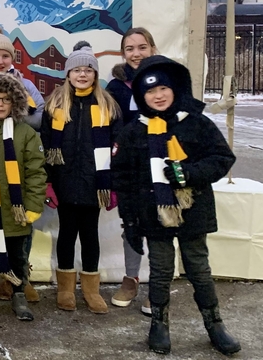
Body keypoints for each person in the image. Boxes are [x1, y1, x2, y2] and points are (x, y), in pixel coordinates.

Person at [112, 56, 240, 356]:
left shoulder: (195, 122)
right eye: (149, 92)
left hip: (193, 210)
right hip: (154, 214)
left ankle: (214, 323)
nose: (158, 96)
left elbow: (222, 158)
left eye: (163, 89)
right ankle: (159, 324)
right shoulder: (133, 132)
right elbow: (124, 179)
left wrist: (190, 173)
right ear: (141, 97)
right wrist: (130, 222)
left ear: (175, 89)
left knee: (199, 268)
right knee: (160, 271)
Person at [42, 43, 121, 314]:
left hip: (94, 184)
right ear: (68, 74)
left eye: (88, 70)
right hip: (64, 181)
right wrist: (49, 182)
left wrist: (112, 184)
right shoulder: (55, 104)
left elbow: (116, 146)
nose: (83, 74)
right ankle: (65, 288)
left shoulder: (107, 104)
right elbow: (45, 143)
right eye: (77, 69)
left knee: (90, 236)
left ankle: (91, 289)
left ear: (95, 75)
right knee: (66, 234)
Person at [0, 74, 47, 321]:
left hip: (18, 210)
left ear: (15, 102)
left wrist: (33, 206)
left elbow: (36, 172)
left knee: (17, 255)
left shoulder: (26, 133)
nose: (1, 104)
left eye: (6, 99)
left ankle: (18, 293)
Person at [106, 27, 158, 313]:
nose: (136, 53)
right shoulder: (116, 87)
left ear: (152, 48)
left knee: (161, 223)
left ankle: (158, 284)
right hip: (131, 162)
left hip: (161, 160)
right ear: (123, 52)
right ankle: (131, 278)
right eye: (130, 49)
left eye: (142, 47)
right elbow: (114, 125)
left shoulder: (166, 79)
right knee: (132, 223)